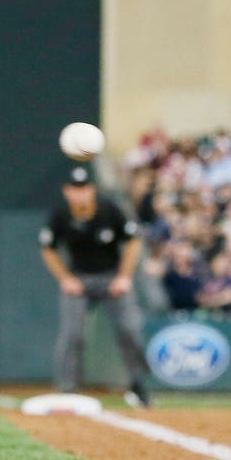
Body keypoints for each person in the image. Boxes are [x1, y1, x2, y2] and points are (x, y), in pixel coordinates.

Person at [39, 164, 152, 408]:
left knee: (129, 329)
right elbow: (48, 249)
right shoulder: (60, 216)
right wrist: (66, 279)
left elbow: (133, 242)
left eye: (84, 188)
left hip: (111, 277)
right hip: (79, 279)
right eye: (74, 189)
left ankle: (138, 385)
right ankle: (68, 389)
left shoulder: (110, 210)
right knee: (72, 334)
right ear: (66, 191)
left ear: (92, 189)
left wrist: (124, 276)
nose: (79, 193)